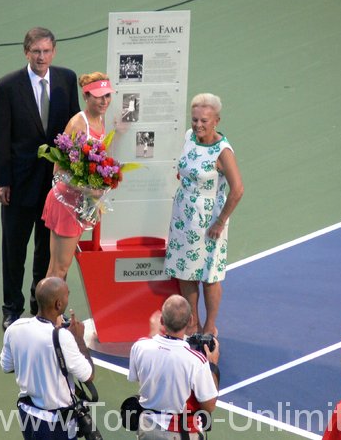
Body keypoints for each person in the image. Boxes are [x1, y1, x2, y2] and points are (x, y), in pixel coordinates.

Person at [0, 27, 80, 330]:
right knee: (14, 250)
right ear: (26, 52)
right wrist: (2, 181)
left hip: (54, 186)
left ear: (54, 52)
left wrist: (74, 176)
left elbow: (74, 129)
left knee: (46, 249)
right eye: (36, 51)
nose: (41, 57)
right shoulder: (8, 86)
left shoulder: (67, 80)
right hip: (18, 184)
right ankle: (11, 308)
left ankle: (37, 304)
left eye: (46, 51)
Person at [164, 93, 244, 336]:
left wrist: (220, 221)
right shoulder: (189, 137)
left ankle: (209, 327)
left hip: (208, 220)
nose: (198, 125)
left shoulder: (223, 151)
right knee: (186, 272)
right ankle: (192, 325)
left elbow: (238, 189)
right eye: (195, 119)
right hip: (183, 216)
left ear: (216, 121)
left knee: (209, 276)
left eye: (204, 121)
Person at [41, 72, 115, 280]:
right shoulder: (78, 125)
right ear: (86, 97)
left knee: (60, 269)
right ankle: (47, 313)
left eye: (107, 95)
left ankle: (52, 313)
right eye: (99, 96)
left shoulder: (101, 120)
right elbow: (59, 173)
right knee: (59, 269)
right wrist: (90, 190)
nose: (104, 101)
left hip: (81, 204)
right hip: (66, 203)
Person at [0, 277, 94, 440]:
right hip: (55, 424)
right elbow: (88, 375)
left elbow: (6, 366)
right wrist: (79, 339)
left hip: (27, 415)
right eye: (67, 295)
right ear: (58, 304)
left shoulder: (15, 328)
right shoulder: (62, 337)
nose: (68, 296)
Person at [128, 295, 220, 439]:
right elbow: (209, 406)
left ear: (162, 320)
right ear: (190, 320)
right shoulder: (196, 361)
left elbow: (140, 376)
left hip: (147, 429)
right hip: (181, 432)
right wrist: (213, 365)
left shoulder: (139, 347)